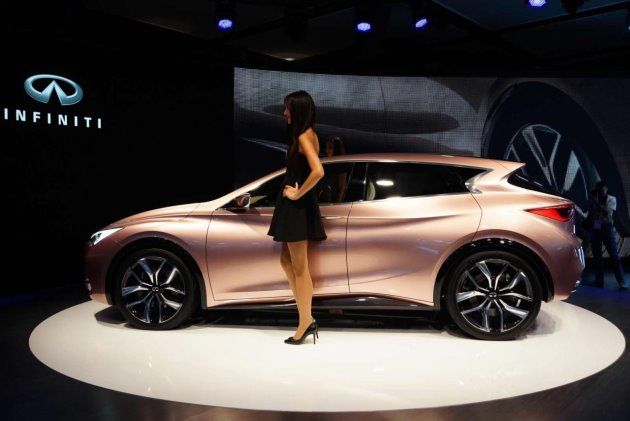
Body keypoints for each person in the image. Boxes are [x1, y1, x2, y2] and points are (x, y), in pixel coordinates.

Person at [266, 90, 327, 344]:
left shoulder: (303, 136)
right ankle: (305, 315)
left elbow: (318, 171)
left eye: (288, 108)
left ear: (297, 111)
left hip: (297, 207)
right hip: (296, 207)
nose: (284, 113)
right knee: (286, 261)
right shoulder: (310, 134)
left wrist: (297, 194)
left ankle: (305, 321)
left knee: (300, 268)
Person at [585, 180, 628, 290]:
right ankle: (599, 281)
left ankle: (621, 282)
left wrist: (595, 202)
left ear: (606, 189)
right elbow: (590, 213)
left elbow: (607, 212)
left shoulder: (611, 199)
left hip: (607, 229)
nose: (601, 192)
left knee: (614, 256)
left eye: (603, 189)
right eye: (599, 190)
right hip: (596, 229)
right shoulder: (595, 199)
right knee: (597, 257)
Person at [317, 135, 347, 203]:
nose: (327, 150)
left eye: (330, 148)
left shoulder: (341, 167)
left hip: (331, 203)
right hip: (323, 201)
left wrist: (337, 205)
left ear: (336, 149)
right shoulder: (328, 164)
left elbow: (342, 188)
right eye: (326, 148)